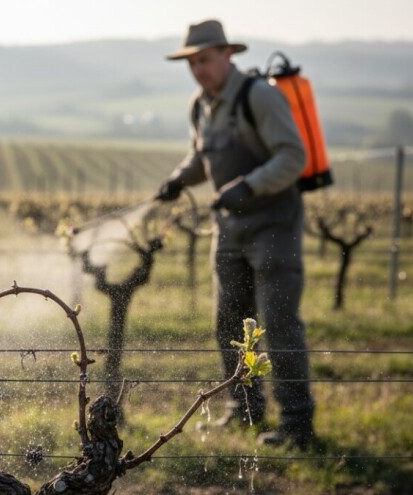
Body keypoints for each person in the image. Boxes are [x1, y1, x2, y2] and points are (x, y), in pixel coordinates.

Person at [155, 19, 315, 449]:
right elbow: (201, 157)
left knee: (279, 324)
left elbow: (293, 157)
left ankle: (298, 424)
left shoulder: (259, 97)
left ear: (228, 55)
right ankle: (244, 410)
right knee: (229, 322)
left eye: (205, 60)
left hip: (274, 226)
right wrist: (178, 180)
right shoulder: (200, 105)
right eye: (192, 63)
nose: (199, 70)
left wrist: (250, 185)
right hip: (228, 230)